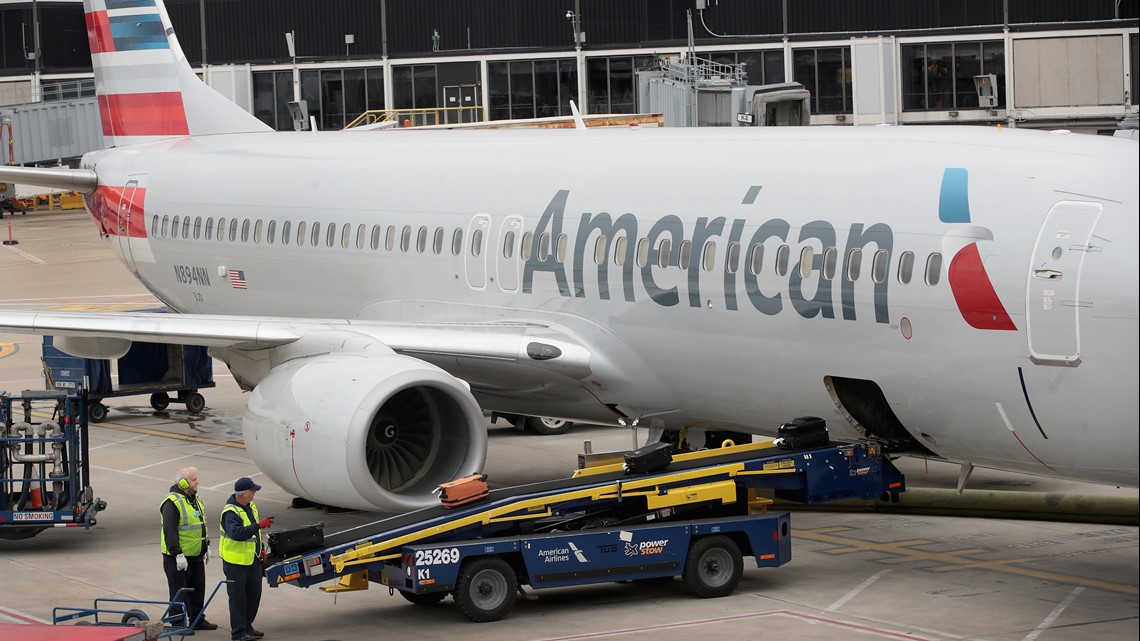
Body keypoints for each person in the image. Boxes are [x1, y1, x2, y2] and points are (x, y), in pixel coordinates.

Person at [160, 467, 218, 633]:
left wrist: (206, 546)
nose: (197, 482)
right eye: (194, 479)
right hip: (178, 558)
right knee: (179, 592)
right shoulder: (172, 503)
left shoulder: (194, 499)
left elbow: (200, 525)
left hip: (195, 555)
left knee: (197, 590)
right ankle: (177, 623)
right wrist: (177, 553)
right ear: (183, 482)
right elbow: (170, 531)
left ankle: (197, 619)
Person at [219, 477, 274, 641]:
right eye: (253, 491)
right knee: (238, 599)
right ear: (244, 494)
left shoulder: (250, 506)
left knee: (253, 595)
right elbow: (237, 534)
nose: (254, 493)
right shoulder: (230, 512)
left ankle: (247, 626)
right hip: (236, 563)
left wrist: (261, 549)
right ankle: (238, 633)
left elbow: (255, 536)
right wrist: (259, 525)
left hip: (252, 560)